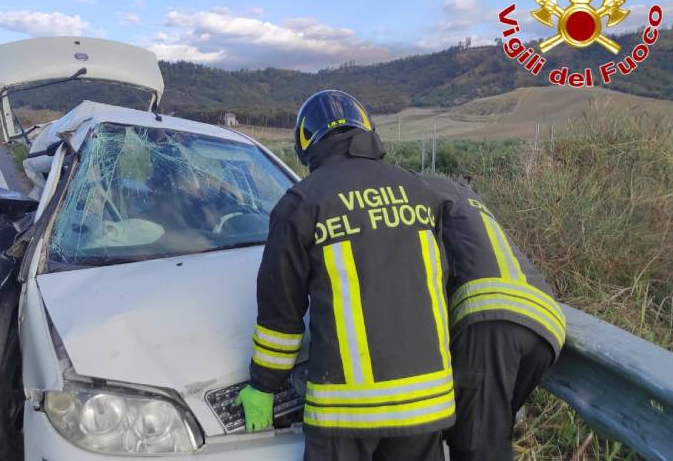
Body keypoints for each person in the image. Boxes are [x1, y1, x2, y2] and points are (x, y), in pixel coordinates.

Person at [234, 90, 454, 461]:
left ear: (307, 142)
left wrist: (264, 384)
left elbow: (280, 314)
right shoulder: (420, 192)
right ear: (366, 127)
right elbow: (440, 281)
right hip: (428, 404)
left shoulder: (303, 203)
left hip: (347, 412)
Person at [424, 177, 565, 461]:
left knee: (476, 444)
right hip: (546, 319)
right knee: (493, 432)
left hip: (494, 322)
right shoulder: (460, 195)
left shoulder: (408, 196)